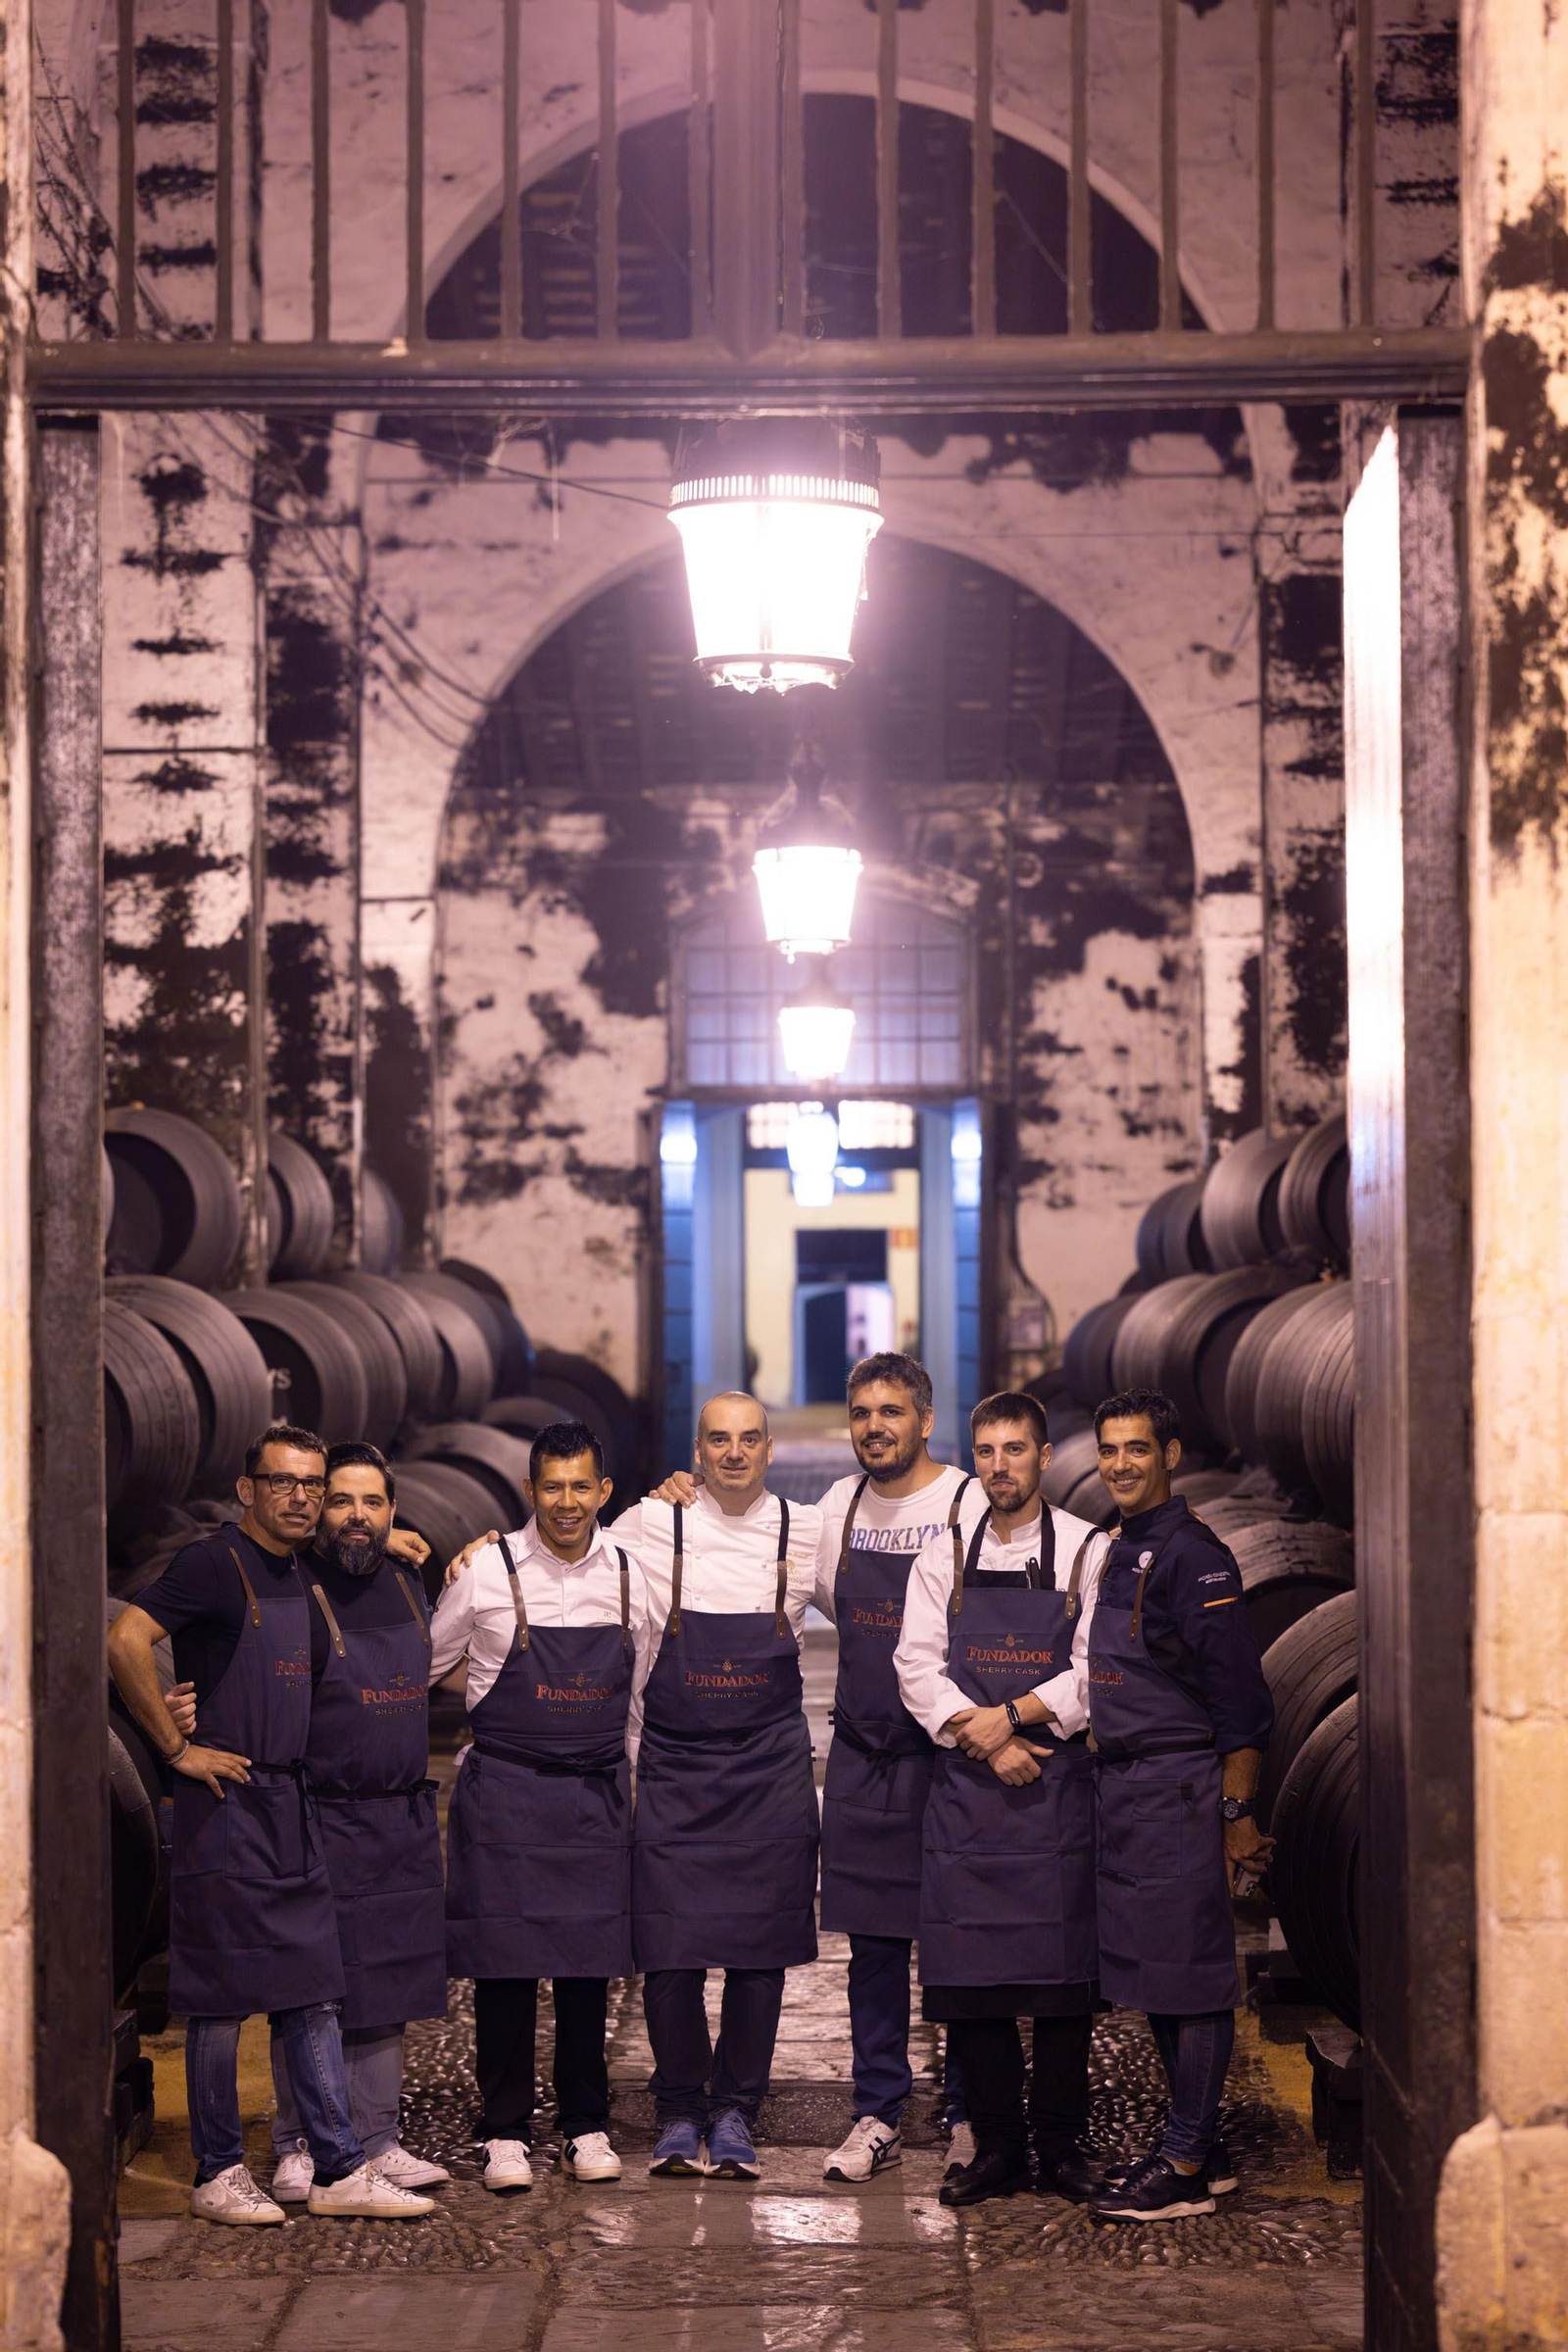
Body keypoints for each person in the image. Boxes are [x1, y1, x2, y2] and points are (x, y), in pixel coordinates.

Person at [648, 1350, 976, 2184]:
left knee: (963, 1939)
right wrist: (664, 1496)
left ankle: (974, 2105)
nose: (875, 1426)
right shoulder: (835, 1508)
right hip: (866, 1752)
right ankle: (876, 2111)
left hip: (955, 1751)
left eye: (891, 1412)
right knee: (871, 1946)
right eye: (862, 1413)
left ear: (925, 1420)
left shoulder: (970, 1499)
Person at [107, 1424, 438, 2225]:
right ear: (247, 1488)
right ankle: (217, 2171)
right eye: (283, 1482)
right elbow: (126, 1639)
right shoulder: (211, 1565)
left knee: (314, 1991)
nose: (301, 1497)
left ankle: (337, 2166)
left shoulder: (295, 1570)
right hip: (227, 1808)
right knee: (221, 2000)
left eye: (312, 1485)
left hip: (292, 1804)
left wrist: (403, 1536)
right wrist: (177, 1746)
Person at [895, 1392, 1106, 2208]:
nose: (998, 1467)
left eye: (1014, 1450)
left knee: (1061, 1992)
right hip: (969, 1797)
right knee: (971, 1985)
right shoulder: (943, 1555)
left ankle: (1059, 2148)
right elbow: (915, 1666)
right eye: (985, 1452)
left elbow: (1095, 1672)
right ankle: (997, 2150)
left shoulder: (1087, 1551)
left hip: (1054, 1795)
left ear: (1044, 1456)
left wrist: (1014, 1717)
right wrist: (984, 1738)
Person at [432, 1419, 654, 2192]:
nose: (566, 1502)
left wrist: (633, 1792)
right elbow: (424, 1663)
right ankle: (503, 2131)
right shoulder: (485, 1573)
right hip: (506, 1797)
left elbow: (640, 1699)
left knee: (589, 1969)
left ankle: (586, 2124)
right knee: (504, 1969)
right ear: (531, 1491)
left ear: (604, 1492)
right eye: (551, 1487)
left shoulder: (632, 1575)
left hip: (593, 1796)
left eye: (580, 1487)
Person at [612, 1392, 824, 2181]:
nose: (733, 1453)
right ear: (696, 1451)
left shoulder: (807, 1530)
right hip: (674, 1761)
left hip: (768, 1767)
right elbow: (561, 1555)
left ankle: (736, 2111)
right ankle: (676, 2110)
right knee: (668, 1949)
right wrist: (483, 1548)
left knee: (758, 1949)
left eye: (748, 1440)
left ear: (770, 1449)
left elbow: (886, 1595)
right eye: (717, 1441)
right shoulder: (648, 1523)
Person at [1083, 1388, 1275, 2224]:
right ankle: (1203, 2144)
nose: (1121, 1465)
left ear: (1170, 1455)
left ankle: (1188, 2161)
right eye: (1109, 1450)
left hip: (1177, 1791)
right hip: (1127, 1791)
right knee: (1158, 1981)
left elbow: (1241, 1707)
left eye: (1137, 1450)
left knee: (1193, 1983)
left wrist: (1236, 1819)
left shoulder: (1198, 1559)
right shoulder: (1123, 1545)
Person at [262, 1445, 450, 2201]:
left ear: (393, 1512)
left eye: (372, 1503)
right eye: (342, 1501)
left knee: (390, 1986)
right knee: (310, 1987)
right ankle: (297, 2144)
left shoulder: (410, 1582)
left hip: (400, 1816)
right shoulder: (291, 1585)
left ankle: (378, 2140)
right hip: (322, 1814)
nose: (357, 1517)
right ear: (317, 1508)